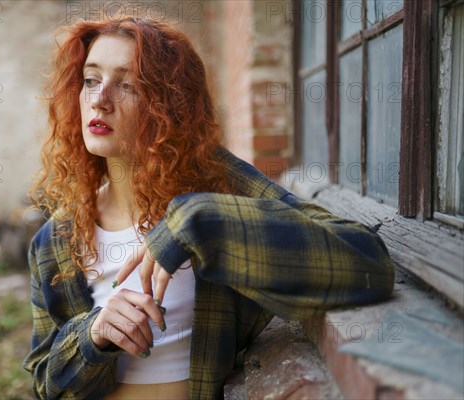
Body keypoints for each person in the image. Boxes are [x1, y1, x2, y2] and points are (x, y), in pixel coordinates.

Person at [23, 16, 395, 400]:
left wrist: (194, 221)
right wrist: (92, 336)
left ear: (167, 102)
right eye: (90, 80)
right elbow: (43, 382)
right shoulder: (55, 241)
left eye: (128, 84)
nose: (100, 99)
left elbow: (367, 262)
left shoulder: (222, 187)